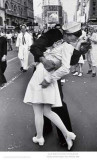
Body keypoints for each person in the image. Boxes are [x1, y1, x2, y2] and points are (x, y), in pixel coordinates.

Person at [24, 22, 84, 150]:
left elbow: (71, 62)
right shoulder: (53, 33)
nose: (75, 39)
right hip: (42, 70)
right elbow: (35, 47)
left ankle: (64, 135)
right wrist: (43, 60)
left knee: (57, 103)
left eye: (77, 37)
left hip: (54, 74)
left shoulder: (72, 43)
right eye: (74, 36)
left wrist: (77, 49)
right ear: (66, 33)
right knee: (41, 103)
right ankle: (45, 129)